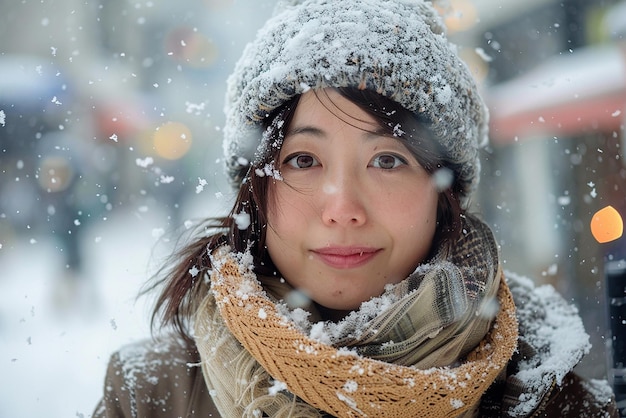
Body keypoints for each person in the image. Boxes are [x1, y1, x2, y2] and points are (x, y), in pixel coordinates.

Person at [92, 0, 619, 417]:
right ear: (255, 189)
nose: (342, 208)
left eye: (387, 160)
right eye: (303, 159)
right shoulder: (150, 396)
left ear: (445, 195)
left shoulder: (550, 391)